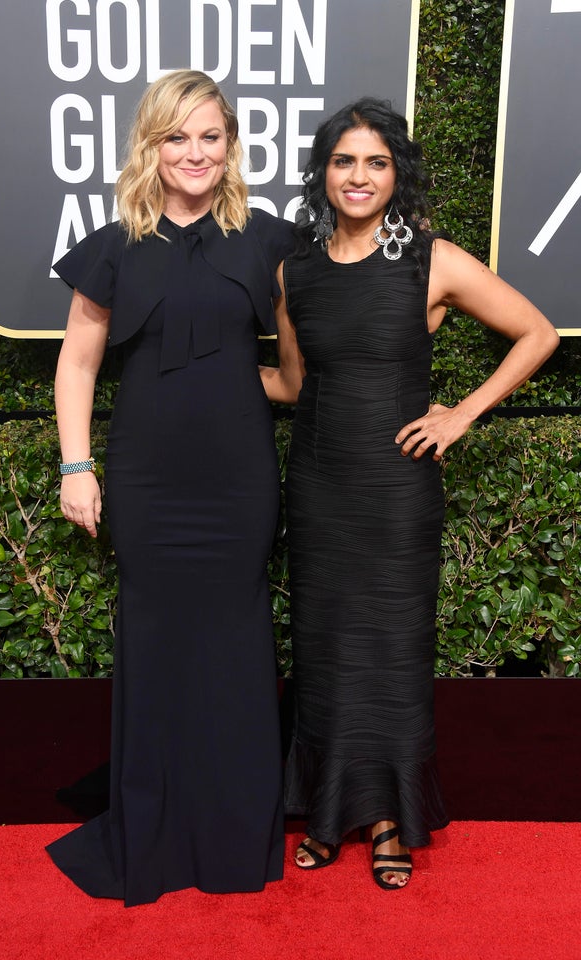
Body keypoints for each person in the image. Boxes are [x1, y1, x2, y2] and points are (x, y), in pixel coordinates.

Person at [260, 97, 559, 890]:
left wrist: (460, 414)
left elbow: (539, 333)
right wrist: (186, 372)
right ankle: (326, 811)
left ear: (398, 174)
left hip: (396, 491)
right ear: (322, 173)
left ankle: (390, 819)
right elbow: (290, 383)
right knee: (322, 649)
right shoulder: (297, 270)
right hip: (318, 485)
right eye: (344, 161)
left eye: (376, 162)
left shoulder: (432, 260)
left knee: (390, 653)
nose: (359, 177)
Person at [46, 70, 295, 906]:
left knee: (235, 647)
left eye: (210, 137)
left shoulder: (269, 241)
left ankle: (232, 836)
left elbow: (317, 352)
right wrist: (76, 465)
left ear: (230, 147)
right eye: (176, 137)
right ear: (150, 147)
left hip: (239, 481)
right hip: (149, 480)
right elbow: (78, 360)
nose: (195, 152)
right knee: (155, 647)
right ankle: (150, 836)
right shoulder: (116, 243)